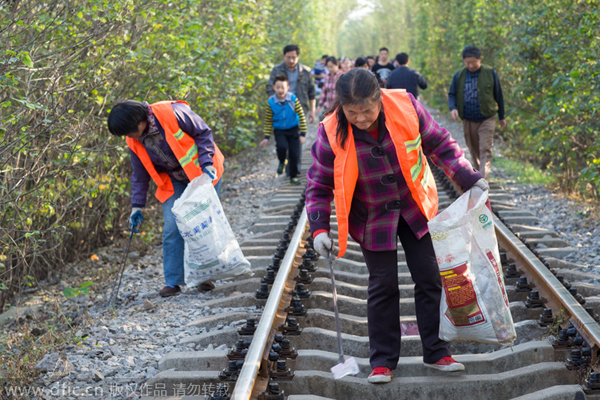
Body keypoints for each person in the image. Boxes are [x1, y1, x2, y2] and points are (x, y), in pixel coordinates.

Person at [306, 69, 488, 383]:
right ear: (341, 107)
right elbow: (318, 185)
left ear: (380, 98)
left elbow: (441, 144)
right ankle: (383, 361)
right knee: (383, 286)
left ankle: (436, 351)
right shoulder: (331, 130)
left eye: (367, 110)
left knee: (429, 277)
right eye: (353, 112)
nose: (361, 118)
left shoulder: (405, 105)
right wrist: (320, 228)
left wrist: (468, 178)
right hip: (371, 216)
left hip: (414, 206)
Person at [107, 100, 225, 297]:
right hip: (174, 180)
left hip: (204, 171)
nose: (128, 136)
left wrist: (206, 162)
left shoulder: (173, 113)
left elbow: (203, 133)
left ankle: (205, 276)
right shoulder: (134, 140)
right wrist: (137, 207)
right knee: (172, 225)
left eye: (128, 131)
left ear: (139, 121)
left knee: (202, 223)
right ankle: (173, 281)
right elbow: (139, 174)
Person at [448, 45, 506, 179]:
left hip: (487, 118)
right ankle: (479, 176)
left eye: (473, 62)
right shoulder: (459, 75)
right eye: (467, 63)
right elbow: (452, 94)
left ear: (480, 59)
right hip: (468, 119)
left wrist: (502, 116)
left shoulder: (490, 73)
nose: (470, 65)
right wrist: (453, 108)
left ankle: (483, 182)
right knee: (474, 150)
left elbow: (499, 95)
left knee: (485, 148)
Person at [260, 75, 307, 185]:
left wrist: (303, 133)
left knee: (294, 154)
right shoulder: (271, 102)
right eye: (278, 87)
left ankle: (293, 176)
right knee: (282, 147)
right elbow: (268, 121)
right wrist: (266, 137)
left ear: (288, 88)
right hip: (279, 130)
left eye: (283, 87)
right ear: (273, 88)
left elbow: (301, 115)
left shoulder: (293, 99)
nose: (280, 90)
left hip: (294, 129)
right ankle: (282, 161)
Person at [267, 44, 316, 123]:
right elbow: (270, 88)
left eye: (294, 57)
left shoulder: (305, 71)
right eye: (288, 57)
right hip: (281, 110)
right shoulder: (277, 70)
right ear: (284, 56)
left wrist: (312, 111)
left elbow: (311, 92)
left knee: (299, 133)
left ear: (298, 57)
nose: (291, 60)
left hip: (299, 109)